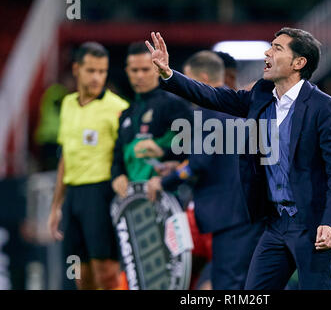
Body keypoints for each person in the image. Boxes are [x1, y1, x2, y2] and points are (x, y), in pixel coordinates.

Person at [145, 28, 331, 290]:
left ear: (299, 63)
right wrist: (168, 74)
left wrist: (330, 223)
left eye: (277, 48)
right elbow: (214, 96)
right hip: (275, 223)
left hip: (311, 225)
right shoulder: (262, 96)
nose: (267, 52)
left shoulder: (323, 106)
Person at [147, 51, 264, 289]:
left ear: (201, 79)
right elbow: (220, 160)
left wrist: (164, 181)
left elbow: (199, 164)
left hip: (228, 218)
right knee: (247, 283)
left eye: (188, 82)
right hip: (249, 214)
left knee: (227, 285)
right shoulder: (239, 109)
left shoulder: (206, 111)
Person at [47, 42, 129, 289]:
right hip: (73, 197)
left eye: (102, 72)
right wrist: (56, 206)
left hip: (101, 194)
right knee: (80, 275)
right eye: (91, 71)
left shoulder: (118, 108)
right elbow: (65, 157)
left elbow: (127, 155)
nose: (97, 77)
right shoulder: (68, 104)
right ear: (76, 69)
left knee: (105, 273)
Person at [111, 42, 192, 195]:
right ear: (127, 71)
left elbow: (197, 145)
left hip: (169, 195)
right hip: (135, 199)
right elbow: (117, 155)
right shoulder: (127, 114)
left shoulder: (174, 105)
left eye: (145, 69)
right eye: (134, 70)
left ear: (156, 69)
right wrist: (117, 175)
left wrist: (163, 152)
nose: (139, 75)